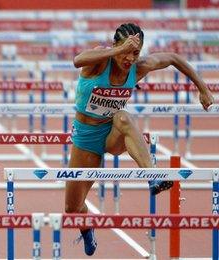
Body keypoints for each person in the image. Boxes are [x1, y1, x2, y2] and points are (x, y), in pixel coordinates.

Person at [68, 23, 214, 256]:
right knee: (72, 209)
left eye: (135, 53)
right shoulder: (99, 61)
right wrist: (118, 50)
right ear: (116, 46)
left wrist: (203, 88)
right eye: (126, 51)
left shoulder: (138, 68)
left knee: (124, 117)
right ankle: (87, 229)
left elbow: (174, 58)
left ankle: (152, 176)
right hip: (86, 137)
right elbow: (77, 60)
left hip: (111, 133)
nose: (129, 58)